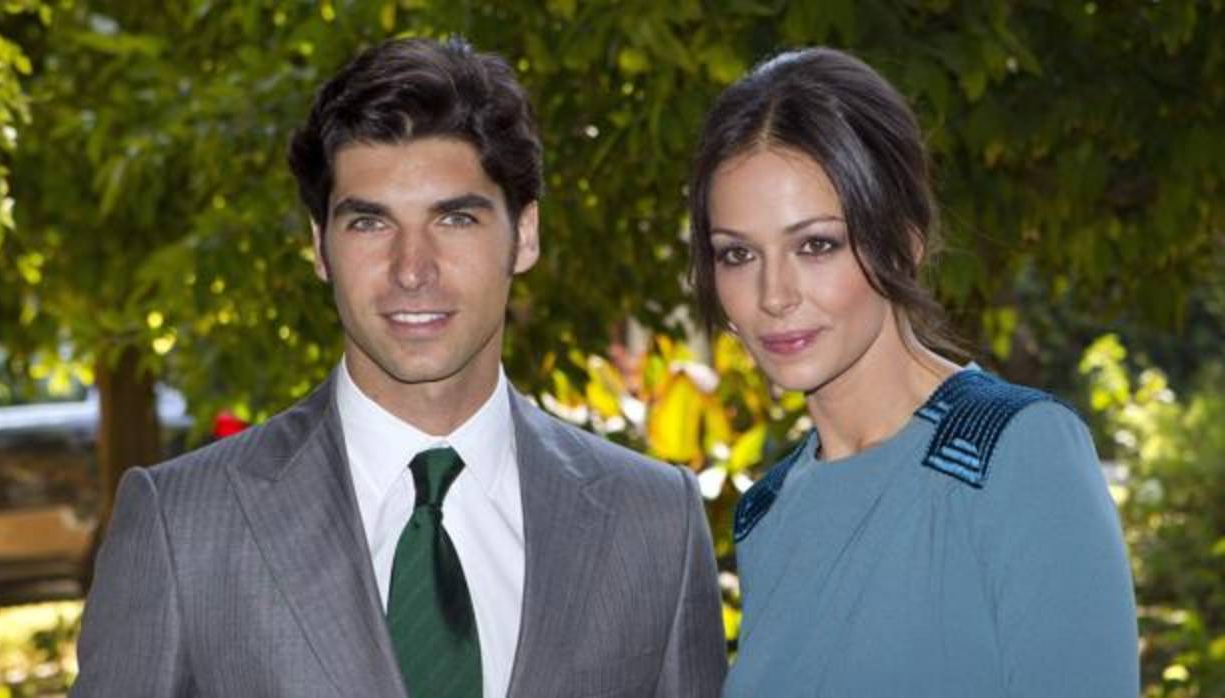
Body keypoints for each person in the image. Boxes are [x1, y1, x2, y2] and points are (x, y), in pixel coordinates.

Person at [72, 37, 726, 698]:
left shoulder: (654, 523)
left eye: (456, 219)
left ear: (524, 235)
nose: (412, 270)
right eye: (369, 224)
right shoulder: (183, 526)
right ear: (319, 247)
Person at [688, 47, 1139, 697]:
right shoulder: (768, 512)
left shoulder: (1014, 452)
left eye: (816, 244)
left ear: (904, 239)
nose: (773, 294)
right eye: (737, 254)